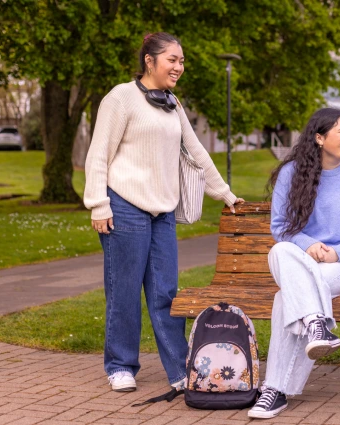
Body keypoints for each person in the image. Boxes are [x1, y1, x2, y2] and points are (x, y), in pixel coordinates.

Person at [83, 32, 243, 393]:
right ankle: (121, 365)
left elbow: (196, 151)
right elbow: (98, 153)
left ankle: (178, 368)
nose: (179, 67)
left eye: (182, 61)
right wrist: (98, 203)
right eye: (172, 59)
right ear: (149, 61)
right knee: (123, 290)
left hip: (163, 212)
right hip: (124, 206)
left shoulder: (172, 103)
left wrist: (225, 193)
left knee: (167, 294)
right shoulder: (121, 98)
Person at [247, 108, 340, 419]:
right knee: (280, 254)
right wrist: (309, 245)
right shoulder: (292, 173)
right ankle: (314, 328)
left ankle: (275, 389)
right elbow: (281, 228)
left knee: (290, 295)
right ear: (320, 138)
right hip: (304, 261)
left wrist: (337, 253)